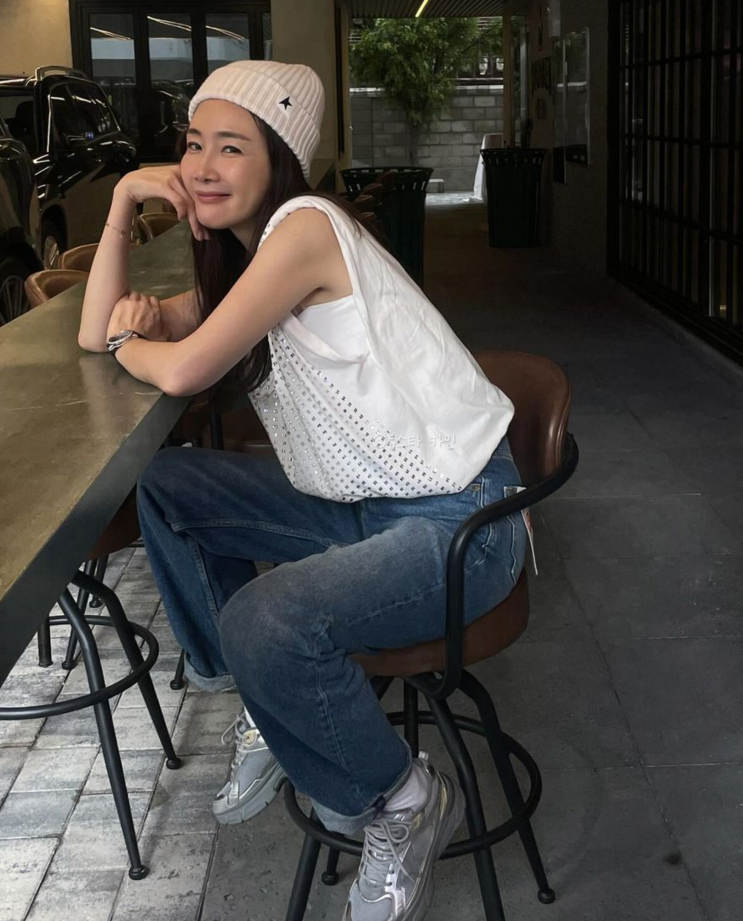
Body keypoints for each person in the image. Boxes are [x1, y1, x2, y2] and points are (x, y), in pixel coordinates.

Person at [78, 60, 527, 921]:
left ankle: (403, 797)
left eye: (231, 147)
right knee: (165, 482)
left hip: (462, 522)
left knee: (268, 618)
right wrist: (122, 203)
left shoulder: (306, 228)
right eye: (193, 144)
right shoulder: (247, 259)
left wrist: (140, 344)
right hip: (364, 507)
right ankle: (262, 698)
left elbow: (179, 368)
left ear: (279, 159)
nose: (202, 166)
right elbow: (100, 333)